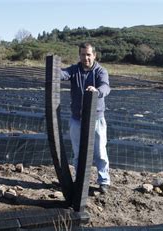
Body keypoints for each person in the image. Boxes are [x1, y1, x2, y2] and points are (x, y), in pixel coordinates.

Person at [60, 42, 111, 194]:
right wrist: (53, 70)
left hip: (96, 119)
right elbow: (63, 74)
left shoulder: (100, 71)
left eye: (88, 54)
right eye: (83, 54)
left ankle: (104, 181)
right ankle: (81, 180)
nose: (85, 57)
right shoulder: (74, 70)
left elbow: (105, 87)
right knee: (78, 152)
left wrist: (97, 91)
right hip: (77, 119)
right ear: (80, 55)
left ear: (94, 55)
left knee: (100, 152)